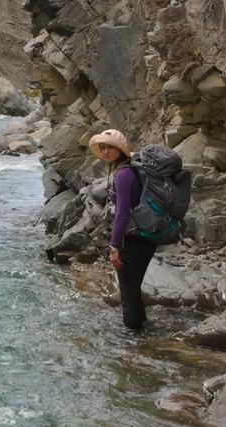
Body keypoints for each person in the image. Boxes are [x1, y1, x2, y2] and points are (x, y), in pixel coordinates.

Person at [88, 129, 156, 331]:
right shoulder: (131, 169)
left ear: (121, 150)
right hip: (145, 237)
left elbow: (122, 214)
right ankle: (142, 330)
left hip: (133, 239)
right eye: (103, 147)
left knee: (127, 293)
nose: (106, 151)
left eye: (111, 147)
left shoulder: (124, 174)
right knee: (133, 289)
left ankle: (132, 339)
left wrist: (114, 246)